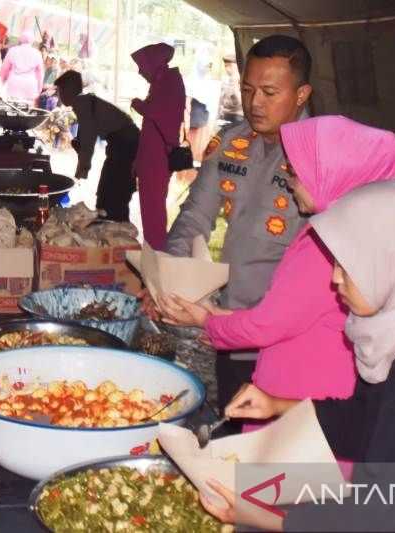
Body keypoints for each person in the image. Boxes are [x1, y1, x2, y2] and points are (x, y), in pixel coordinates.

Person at [201, 181, 395, 532]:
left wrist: (263, 517)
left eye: (349, 266)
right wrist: (278, 404)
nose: (334, 279)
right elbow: (370, 421)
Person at [161, 114, 395, 405]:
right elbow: (287, 316)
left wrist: (205, 319)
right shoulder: (340, 230)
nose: (290, 183)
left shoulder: (327, 245)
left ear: (330, 174)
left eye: (297, 172)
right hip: (297, 394)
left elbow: (269, 324)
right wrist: (212, 318)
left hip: (304, 398)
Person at [158, 35, 313, 415]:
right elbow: (195, 214)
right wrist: (174, 276)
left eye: (269, 92)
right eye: (247, 89)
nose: (254, 103)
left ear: (301, 94)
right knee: (233, 433)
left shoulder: (320, 158)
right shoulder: (232, 143)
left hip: (290, 340)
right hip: (230, 328)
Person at [55, 70, 140, 221]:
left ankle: (115, 226)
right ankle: (113, 222)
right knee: (110, 190)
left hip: (125, 143)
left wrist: (82, 170)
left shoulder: (83, 104)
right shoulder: (84, 102)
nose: (59, 96)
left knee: (112, 192)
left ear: (68, 91)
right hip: (123, 141)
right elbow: (87, 135)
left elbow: (88, 142)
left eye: (60, 91)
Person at [130, 42, 185, 250]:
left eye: (142, 66)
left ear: (153, 64)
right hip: (151, 154)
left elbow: (156, 112)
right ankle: (154, 248)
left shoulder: (169, 82)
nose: (140, 71)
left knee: (153, 208)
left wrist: (138, 104)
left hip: (158, 156)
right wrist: (138, 159)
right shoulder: (163, 81)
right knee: (150, 206)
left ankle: (157, 252)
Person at [0, 33, 43, 104]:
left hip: (14, 83)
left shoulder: (12, 50)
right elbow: (40, 73)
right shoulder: (37, 53)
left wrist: (2, 81)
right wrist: (39, 88)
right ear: (32, 41)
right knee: (27, 109)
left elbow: (5, 69)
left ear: (20, 39)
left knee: (13, 108)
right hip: (30, 84)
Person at [218, 54, 243, 124]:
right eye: (226, 66)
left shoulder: (241, 80)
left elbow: (239, 102)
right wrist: (219, 114)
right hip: (224, 116)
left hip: (237, 116)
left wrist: (234, 84)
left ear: (237, 66)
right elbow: (221, 100)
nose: (227, 69)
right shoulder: (225, 80)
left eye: (230, 66)